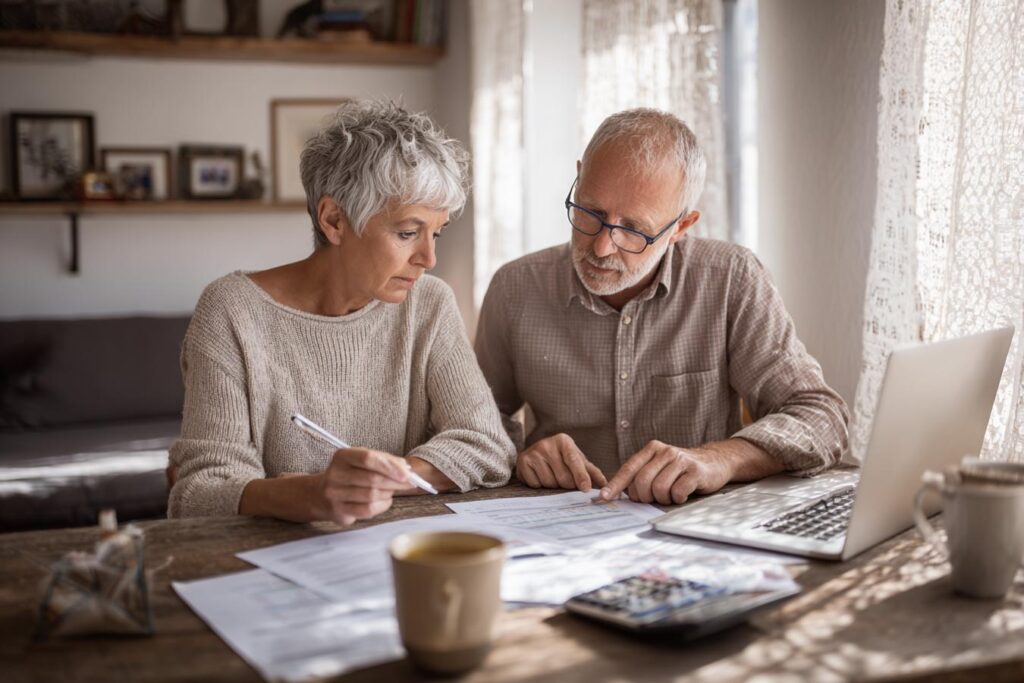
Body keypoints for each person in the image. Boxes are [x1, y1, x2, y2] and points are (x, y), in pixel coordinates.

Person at [474, 108, 849, 506]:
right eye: (591, 213)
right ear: (579, 177)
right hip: (556, 523)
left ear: (681, 228)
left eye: (633, 230)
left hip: (695, 528)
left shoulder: (730, 280)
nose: (601, 247)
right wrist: (518, 456)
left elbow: (822, 417)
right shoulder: (514, 288)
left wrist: (720, 459)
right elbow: (474, 421)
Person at [169, 101, 515, 525]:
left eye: (436, 233)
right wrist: (304, 496)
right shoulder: (231, 311)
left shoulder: (429, 303)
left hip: (403, 547)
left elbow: (487, 445)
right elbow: (198, 490)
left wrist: (382, 480)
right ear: (334, 220)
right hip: (277, 561)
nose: (429, 257)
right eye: (407, 233)